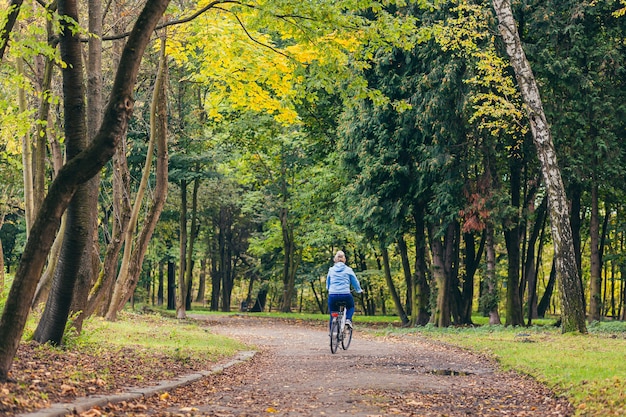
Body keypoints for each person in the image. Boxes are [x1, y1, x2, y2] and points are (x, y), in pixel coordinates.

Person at [326, 250, 363, 330]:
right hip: (345, 294)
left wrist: (329, 289)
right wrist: (358, 290)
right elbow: (355, 281)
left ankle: (332, 332)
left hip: (333, 294)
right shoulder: (348, 270)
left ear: (335, 259)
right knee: (351, 306)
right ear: (344, 259)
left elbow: (328, 282)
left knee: (333, 312)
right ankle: (348, 320)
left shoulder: (331, 270)